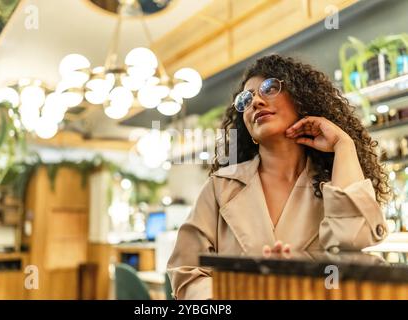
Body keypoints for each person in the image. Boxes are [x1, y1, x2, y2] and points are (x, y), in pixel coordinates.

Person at [167, 54, 390, 300]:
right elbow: (186, 274)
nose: (256, 102)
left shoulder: (334, 183)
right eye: (246, 99)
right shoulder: (220, 187)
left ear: (301, 99)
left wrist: (343, 145)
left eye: (270, 88)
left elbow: (353, 244)